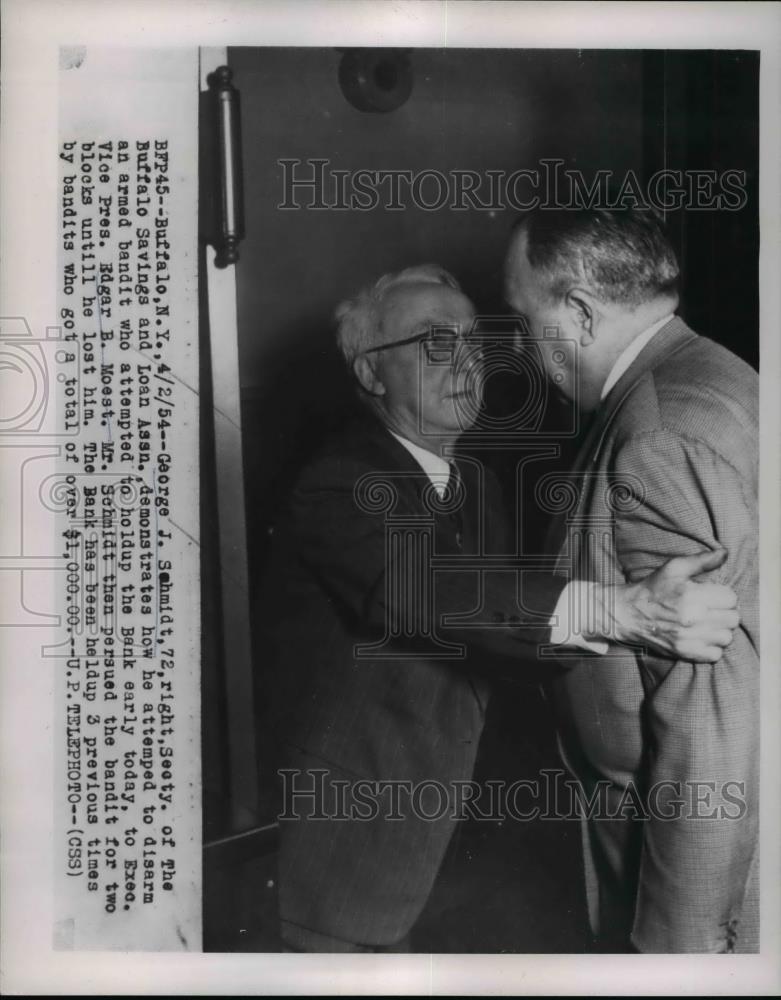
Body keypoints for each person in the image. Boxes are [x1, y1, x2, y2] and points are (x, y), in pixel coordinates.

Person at [260, 263, 741, 953]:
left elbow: (507, 633)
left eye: (472, 340)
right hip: (352, 865)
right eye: (434, 343)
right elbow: (435, 590)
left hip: (469, 854)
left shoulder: (474, 481)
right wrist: (622, 611)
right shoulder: (339, 482)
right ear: (370, 374)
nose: (466, 360)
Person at [503, 207, 759, 953]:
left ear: (579, 313)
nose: (519, 348)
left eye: (523, 321)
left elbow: (713, 720)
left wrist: (681, 945)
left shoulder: (655, 434)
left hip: (684, 871)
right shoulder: (709, 371)